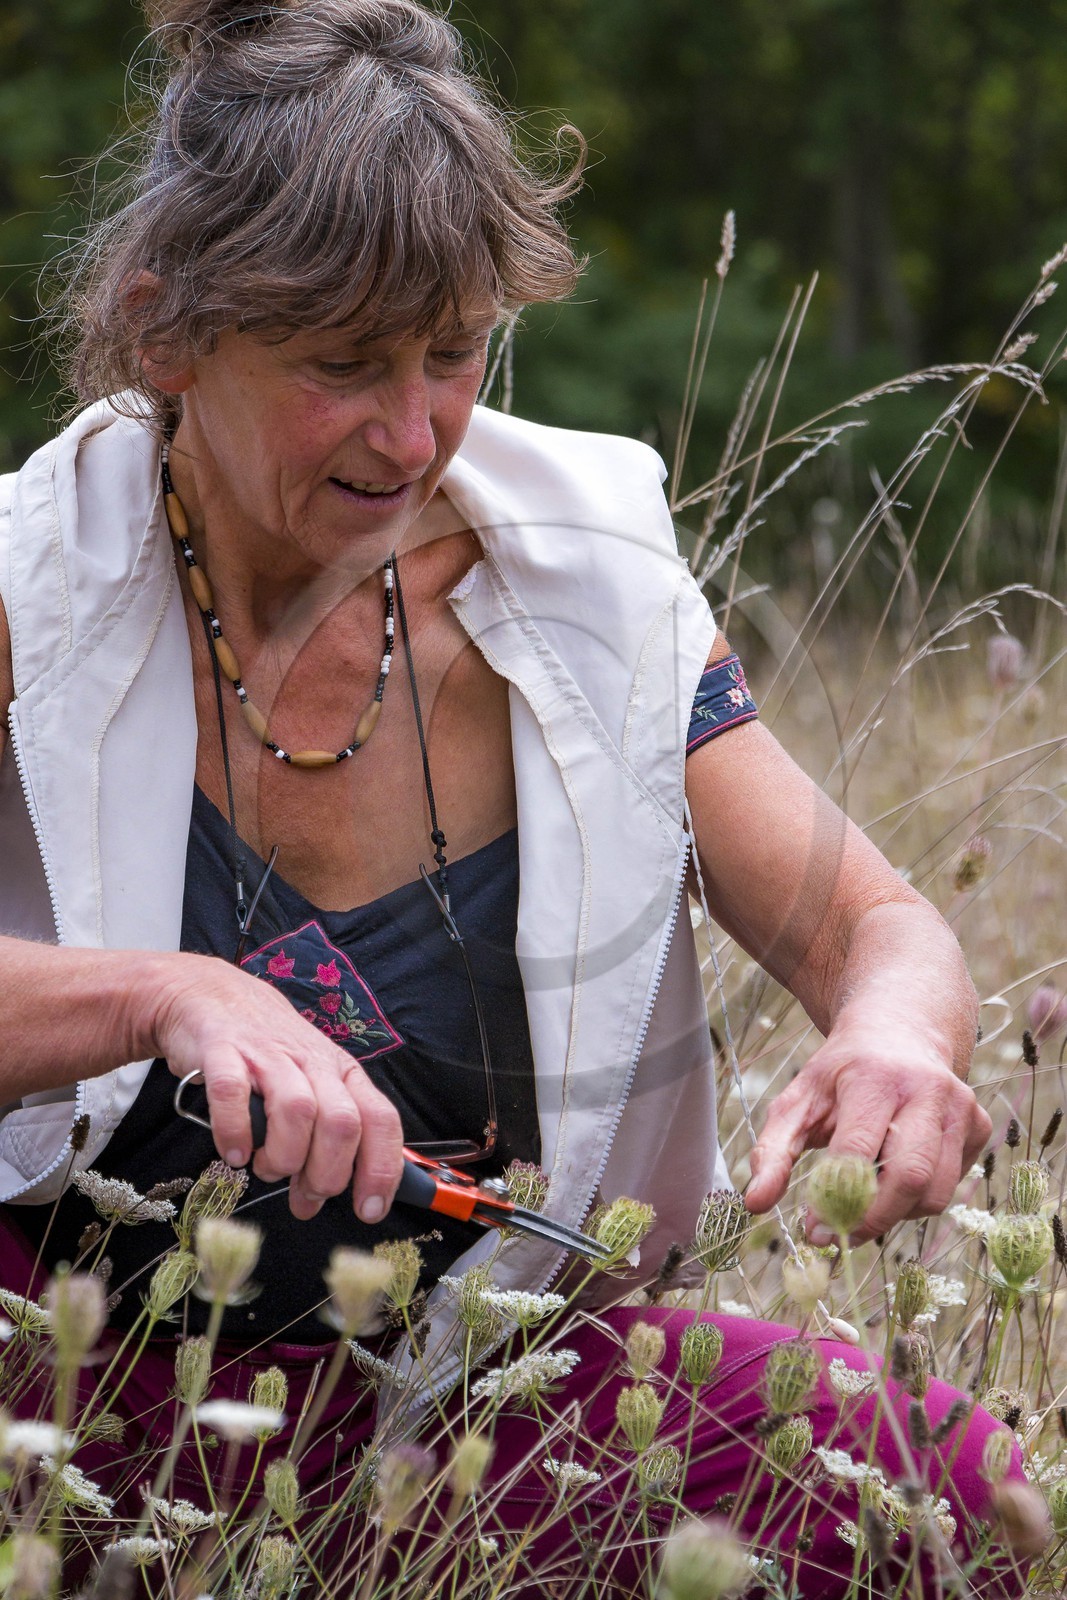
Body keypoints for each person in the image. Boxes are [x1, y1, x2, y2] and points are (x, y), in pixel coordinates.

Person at [0, 1, 1028, 1594]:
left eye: (456, 351)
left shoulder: (588, 595)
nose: (412, 432)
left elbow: (875, 925)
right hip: (59, 1383)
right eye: (343, 363)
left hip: (475, 1408)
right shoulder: (26, 589)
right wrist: (158, 994)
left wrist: (896, 1037)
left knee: (950, 1500)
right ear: (164, 332)